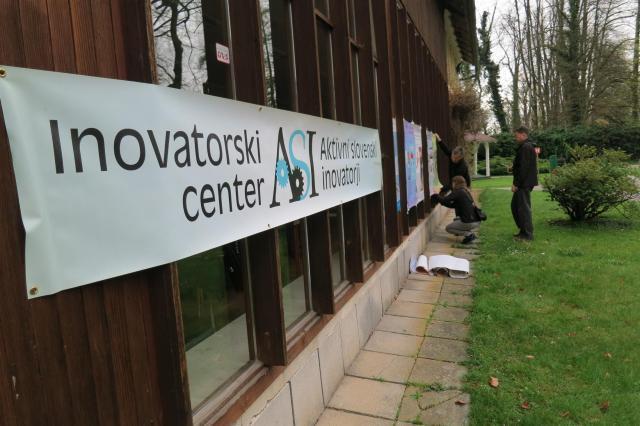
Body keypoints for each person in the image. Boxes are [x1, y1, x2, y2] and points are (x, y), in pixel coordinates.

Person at [511, 126, 538, 241]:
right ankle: (523, 231)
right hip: (524, 182)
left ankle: (527, 234)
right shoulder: (525, 146)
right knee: (516, 206)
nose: (516, 138)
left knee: (523, 209)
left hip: (524, 183)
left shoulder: (526, 147)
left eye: (517, 136)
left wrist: (516, 184)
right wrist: (513, 168)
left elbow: (524, 168)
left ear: (523, 134)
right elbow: (522, 165)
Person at [438, 175, 480, 244]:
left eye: (452, 182)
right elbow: (452, 205)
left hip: (469, 222)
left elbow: (445, 200)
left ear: (455, 183)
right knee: (456, 219)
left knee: (448, 228)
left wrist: (436, 195)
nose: (452, 184)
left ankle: (469, 235)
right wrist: (441, 201)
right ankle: (468, 232)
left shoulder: (458, 192)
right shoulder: (465, 191)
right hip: (476, 221)